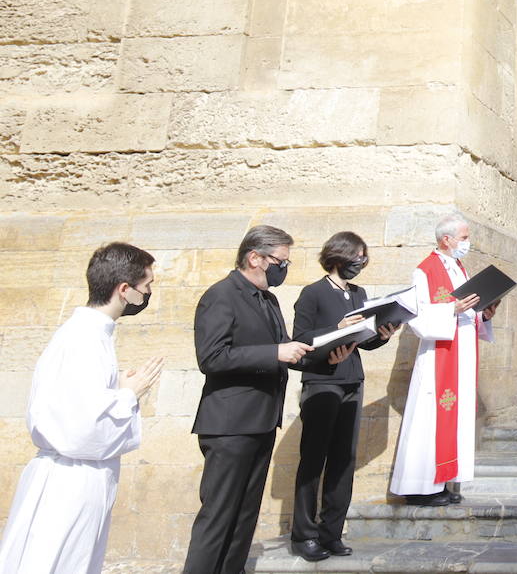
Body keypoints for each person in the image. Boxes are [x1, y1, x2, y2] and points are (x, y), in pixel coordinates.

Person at [183, 226, 354, 574]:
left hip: (262, 421)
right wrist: (274, 352)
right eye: (281, 261)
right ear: (255, 258)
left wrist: (326, 356)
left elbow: (289, 351)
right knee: (218, 516)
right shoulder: (220, 296)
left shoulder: (269, 300)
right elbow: (211, 358)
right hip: (229, 424)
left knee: (244, 516)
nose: (283, 268)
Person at [0, 243, 163, 574]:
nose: (147, 295)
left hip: (74, 476)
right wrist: (129, 394)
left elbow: (76, 401)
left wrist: (117, 387)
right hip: (71, 481)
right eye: (145, 287)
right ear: (124, 290)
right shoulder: (84, 339)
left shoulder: (89, 334)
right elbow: (80, 428)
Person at [288, 232, 400, 562]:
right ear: (340, 255)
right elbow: (301, 339)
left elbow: (363, 341)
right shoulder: (313, 293)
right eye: (358, 257)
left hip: (352, 381)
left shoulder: (358, 293)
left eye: (364, 259)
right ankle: (304, 536)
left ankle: (331, 532)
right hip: (322, 382)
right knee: (314, 460)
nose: (361, 264)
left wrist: (382, 334)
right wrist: (335, 329)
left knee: (343, 461)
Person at [390, 211, 497, 506]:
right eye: (464, 238)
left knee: (455, 417)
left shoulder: (459, 267)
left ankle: (444, 481)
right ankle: (421, 487)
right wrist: (452, 309)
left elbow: (467, 308)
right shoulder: (425, 270)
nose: (468, 242)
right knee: (430, 418)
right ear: (446, 239)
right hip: (439, 355)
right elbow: (418, 316)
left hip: (461, 353)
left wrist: (483, 313)